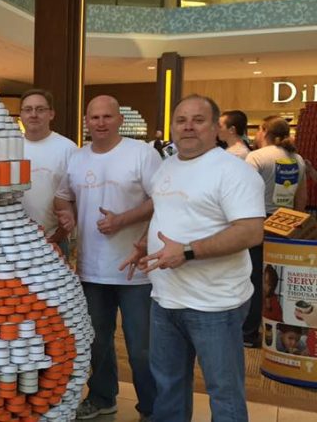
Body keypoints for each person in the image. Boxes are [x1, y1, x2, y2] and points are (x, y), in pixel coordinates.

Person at [120, 94, 264, 422]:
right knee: (168, 386)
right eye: (181, 120)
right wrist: (144, 243)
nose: (188, 127)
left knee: (223, 392)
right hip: (165, 300)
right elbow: (167, 211)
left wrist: (187, 251)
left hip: (215, 305)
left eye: (198, 120)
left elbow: (250, 232)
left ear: (216, 128)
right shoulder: (167, 166)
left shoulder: (233, 171)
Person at [54, 95, 160, 421]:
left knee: (141, 347)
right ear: (86, 121)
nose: (100, 123)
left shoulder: (142, 153)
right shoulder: (77, 157)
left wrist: (122, 219)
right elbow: (61, 197)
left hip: (135, 268)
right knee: (96, 342)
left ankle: (151, 408)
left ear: (119, 119)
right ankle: (102, 397)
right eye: (94, 117)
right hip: (90, 270)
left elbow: (162, 199)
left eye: (107, 117)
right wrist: (67, 215)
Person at [242, 116, 307, 347]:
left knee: (253, 279)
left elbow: (243, 191)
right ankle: (277, 326)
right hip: (286, 223)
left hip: (258, 221)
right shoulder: (297, 158)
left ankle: (249, 334)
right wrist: (296, 225)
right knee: (275, 280)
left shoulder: (256, 157)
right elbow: (302, 197)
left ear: (263, 130)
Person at [18, 88, 76, 257]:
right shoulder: (9, 146)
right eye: (28, 109)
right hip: (13, 242)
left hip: (54, 241)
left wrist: (59, 236)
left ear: (51, 114)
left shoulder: (68, 149)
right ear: (21, 114)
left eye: (40, 109)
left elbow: (77, 198)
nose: (33, 114)